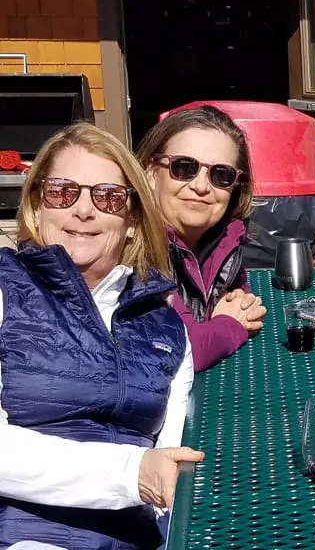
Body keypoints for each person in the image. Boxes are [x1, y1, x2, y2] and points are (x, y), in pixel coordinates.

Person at [0, 123, 205, 549]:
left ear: (131, 220)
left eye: (108, 197)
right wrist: (132, 474)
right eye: (62, 191)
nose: (83, 211)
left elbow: (172, 455)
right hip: (28, 535)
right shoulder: (5, 291)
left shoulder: (166, 326)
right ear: (37, 206)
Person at [135, 105, 266, 372]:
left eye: (221, 175)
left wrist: (238, 309)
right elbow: (181, 349)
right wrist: (230, 325)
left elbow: (238, 299)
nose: (202, 186)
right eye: (184, 168)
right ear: (150, 173)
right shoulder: (134, 245)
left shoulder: (225, 237)